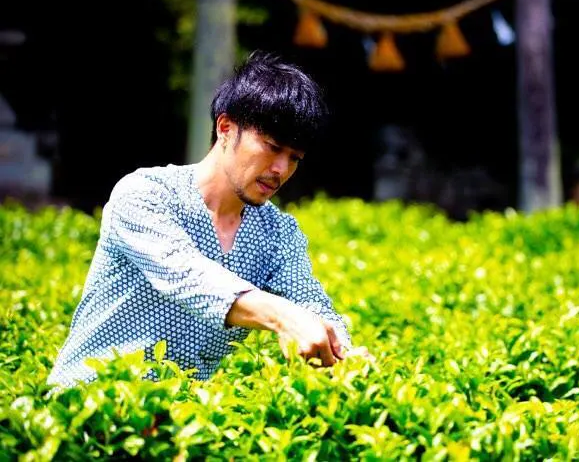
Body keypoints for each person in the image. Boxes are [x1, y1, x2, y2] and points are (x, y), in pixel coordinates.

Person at [47, 51, 369, 389]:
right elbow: (188, 276)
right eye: (272, 147)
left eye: (294, 158)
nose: (280, 169)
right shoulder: (145, 194)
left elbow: (309, 301)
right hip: (84, 404)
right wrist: (282, 316)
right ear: (226, 128)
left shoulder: (278, 233)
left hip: (182, 417)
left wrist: (345, 354)